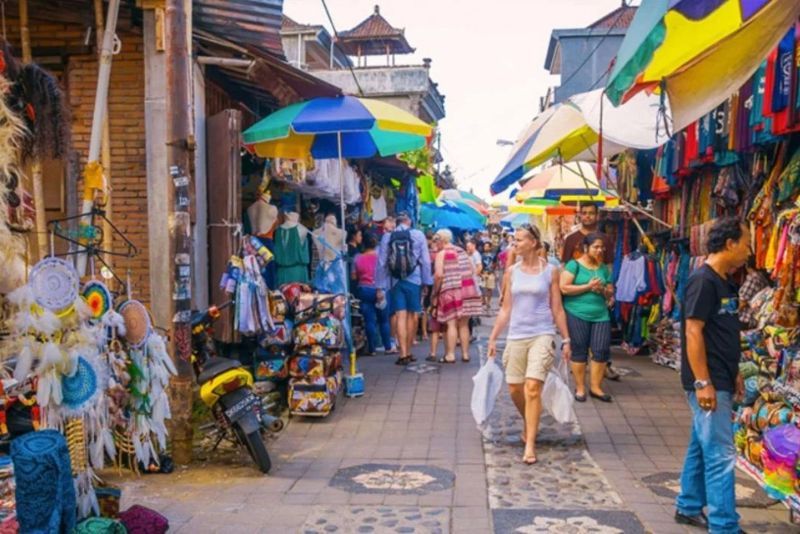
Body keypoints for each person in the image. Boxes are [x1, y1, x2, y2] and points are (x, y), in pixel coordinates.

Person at [674, 218, 751, 533]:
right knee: (721, 454)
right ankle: (724, 525)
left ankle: (689, 505)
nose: (749, 251)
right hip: (708, 381)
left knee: (701, 444)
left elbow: (723, 330)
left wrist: (734, 372)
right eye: (746, 243)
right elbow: (693, 331)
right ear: (730, 243)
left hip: (721, 376)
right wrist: (703, 382)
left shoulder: (724, 281)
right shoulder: (703, 281)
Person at [487, 223, 572, 465]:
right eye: (514, 240)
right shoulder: (511, 272)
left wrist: (565, 339)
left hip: (542, 334)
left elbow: (557, 308)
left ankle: (530, 443)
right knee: (515, 388)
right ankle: (530, 420)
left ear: (534, 243)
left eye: (520, 240)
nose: (515, 244)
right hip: (516, 335)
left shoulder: (550, 271)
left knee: (532, 387)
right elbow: (505, 309)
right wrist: (494, 337)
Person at [560, 203, 620, 382]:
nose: (588, 216)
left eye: (591, 213)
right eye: (584, 213)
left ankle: (602, 367)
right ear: (580, 216)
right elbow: (565, 266)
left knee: (600, 342)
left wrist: (609, 290)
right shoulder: (571, 239)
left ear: (597, 216)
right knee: (579, 340)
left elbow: (608, 266)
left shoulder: (605, 240)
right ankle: (580, 368)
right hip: (576, 294)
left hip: (599, 296)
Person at [559, 233, 615, 403]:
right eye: (596, 247)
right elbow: (564, 288)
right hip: (577, 313)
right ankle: (580, 387)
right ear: (586, 248)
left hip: (600, 314)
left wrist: (603, 291)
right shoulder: (574, 265)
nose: (599, 250)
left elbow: (611, 291)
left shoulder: (603, 268)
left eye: (601, 247)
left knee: (601, 350)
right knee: (579, 349)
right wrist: (588, 286)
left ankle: (596, 387)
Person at [377, 213, 432, 365]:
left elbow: (381, 263)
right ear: (409, 222)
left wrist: (380, 286)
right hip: (414, 279)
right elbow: (426, 261)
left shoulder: (388, 237)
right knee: (413, 315)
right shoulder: (418, 235)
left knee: (400, 315)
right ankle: (408, 350)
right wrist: (427, 282)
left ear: (396, 222)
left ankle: (402, 354)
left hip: (395, 281)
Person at [430, 229, 482, 363]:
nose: (436, 244)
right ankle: (465, 354)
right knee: (464, 324)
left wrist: (435, 292)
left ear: (441, 240)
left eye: (436, 241)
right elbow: (471, 270)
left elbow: (438, 275)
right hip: (467, 289)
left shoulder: (442, 254)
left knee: (451, 324)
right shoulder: (461, 251)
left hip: (451, 290)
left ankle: (450, 355)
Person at [353, 232, 392, 356]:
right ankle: (387, 347)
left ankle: (372, 349)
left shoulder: (357, 257)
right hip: (380, 289)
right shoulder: (381, 257)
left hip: (364, 290)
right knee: (384, 321)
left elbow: (353, 276)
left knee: (369, 320)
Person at [481, 242, 497, 311]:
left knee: (489, 288)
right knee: (482, 288)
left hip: (490, 273)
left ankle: (488, 302)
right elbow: (480, 264)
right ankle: (483, 300)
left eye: (487, 246)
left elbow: (495, 264)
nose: (486, 248)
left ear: (490, 247)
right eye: (485, 246)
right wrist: (481, 273)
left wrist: (492, 271)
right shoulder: (481, 255)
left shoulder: (493, 255)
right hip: (483, 273)